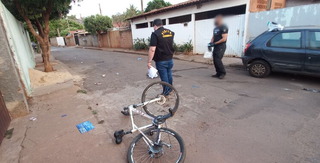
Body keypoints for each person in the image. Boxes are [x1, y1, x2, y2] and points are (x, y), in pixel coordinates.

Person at [147, 18, 175, 95]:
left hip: (161, 60)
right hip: (170, 58)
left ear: (155, 26)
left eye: (153, 26)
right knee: (169, 74)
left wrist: (149, 61)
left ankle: (166, 93)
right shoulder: (170, 32)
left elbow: (152, 49)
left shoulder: (155, 34)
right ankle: (171, 89)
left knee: (164, 77)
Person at [210, 15, 229, 79]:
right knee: (215, 60)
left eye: (216, 20)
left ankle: (223, 73)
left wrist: (215, 43)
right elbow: (213, 36)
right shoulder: (215, 28)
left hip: (221, 46)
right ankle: (218, 73)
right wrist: (211, 42)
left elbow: (224, 38)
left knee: (218, 59)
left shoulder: (224, 27)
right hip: (216, 46)